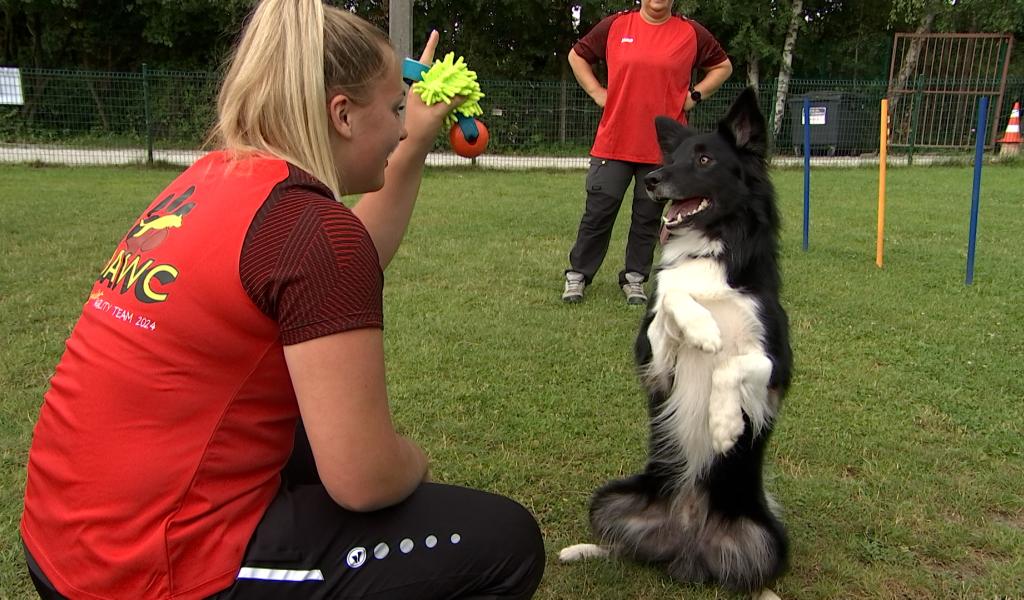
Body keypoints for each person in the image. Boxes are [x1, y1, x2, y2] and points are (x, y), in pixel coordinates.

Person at [20, 2, 545, 599]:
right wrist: (414, 461)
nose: (402, 129)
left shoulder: (211, 179)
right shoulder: (313, 231)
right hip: (141, 573)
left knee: (303, 421)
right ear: (342, 115)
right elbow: (365, 480)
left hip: (63, 542)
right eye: (397, 111)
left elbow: (337, 271)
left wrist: (417, 141)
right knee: (504, 542)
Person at [561, 0, 732, 305]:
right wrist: (597, 92)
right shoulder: (615, 26)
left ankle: (634, 278)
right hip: (614, 141)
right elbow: (577, 56)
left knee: (647, 216)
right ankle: (577, 275)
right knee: (599, 211)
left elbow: (722, 66)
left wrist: (695, 95)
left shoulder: (690, 33)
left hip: (663, 149)